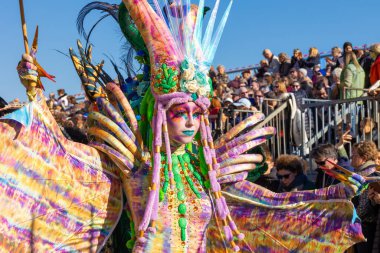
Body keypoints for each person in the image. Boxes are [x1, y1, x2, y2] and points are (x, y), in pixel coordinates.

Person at [2, 1, 375, 252]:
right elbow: (61, 159)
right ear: (161, 113)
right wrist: (33, 93)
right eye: (183, 113)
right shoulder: (131, 162)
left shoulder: (207, 171)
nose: (193, 123)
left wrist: (336, 197)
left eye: (198, 115)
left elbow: (271, 205)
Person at [351, 141, 379, 253]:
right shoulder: (363, 173)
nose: (351, 157)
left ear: (364, 157)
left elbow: (364, 208)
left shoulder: (370, 176)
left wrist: (349, 217)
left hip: (366, 228)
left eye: (354, 155)